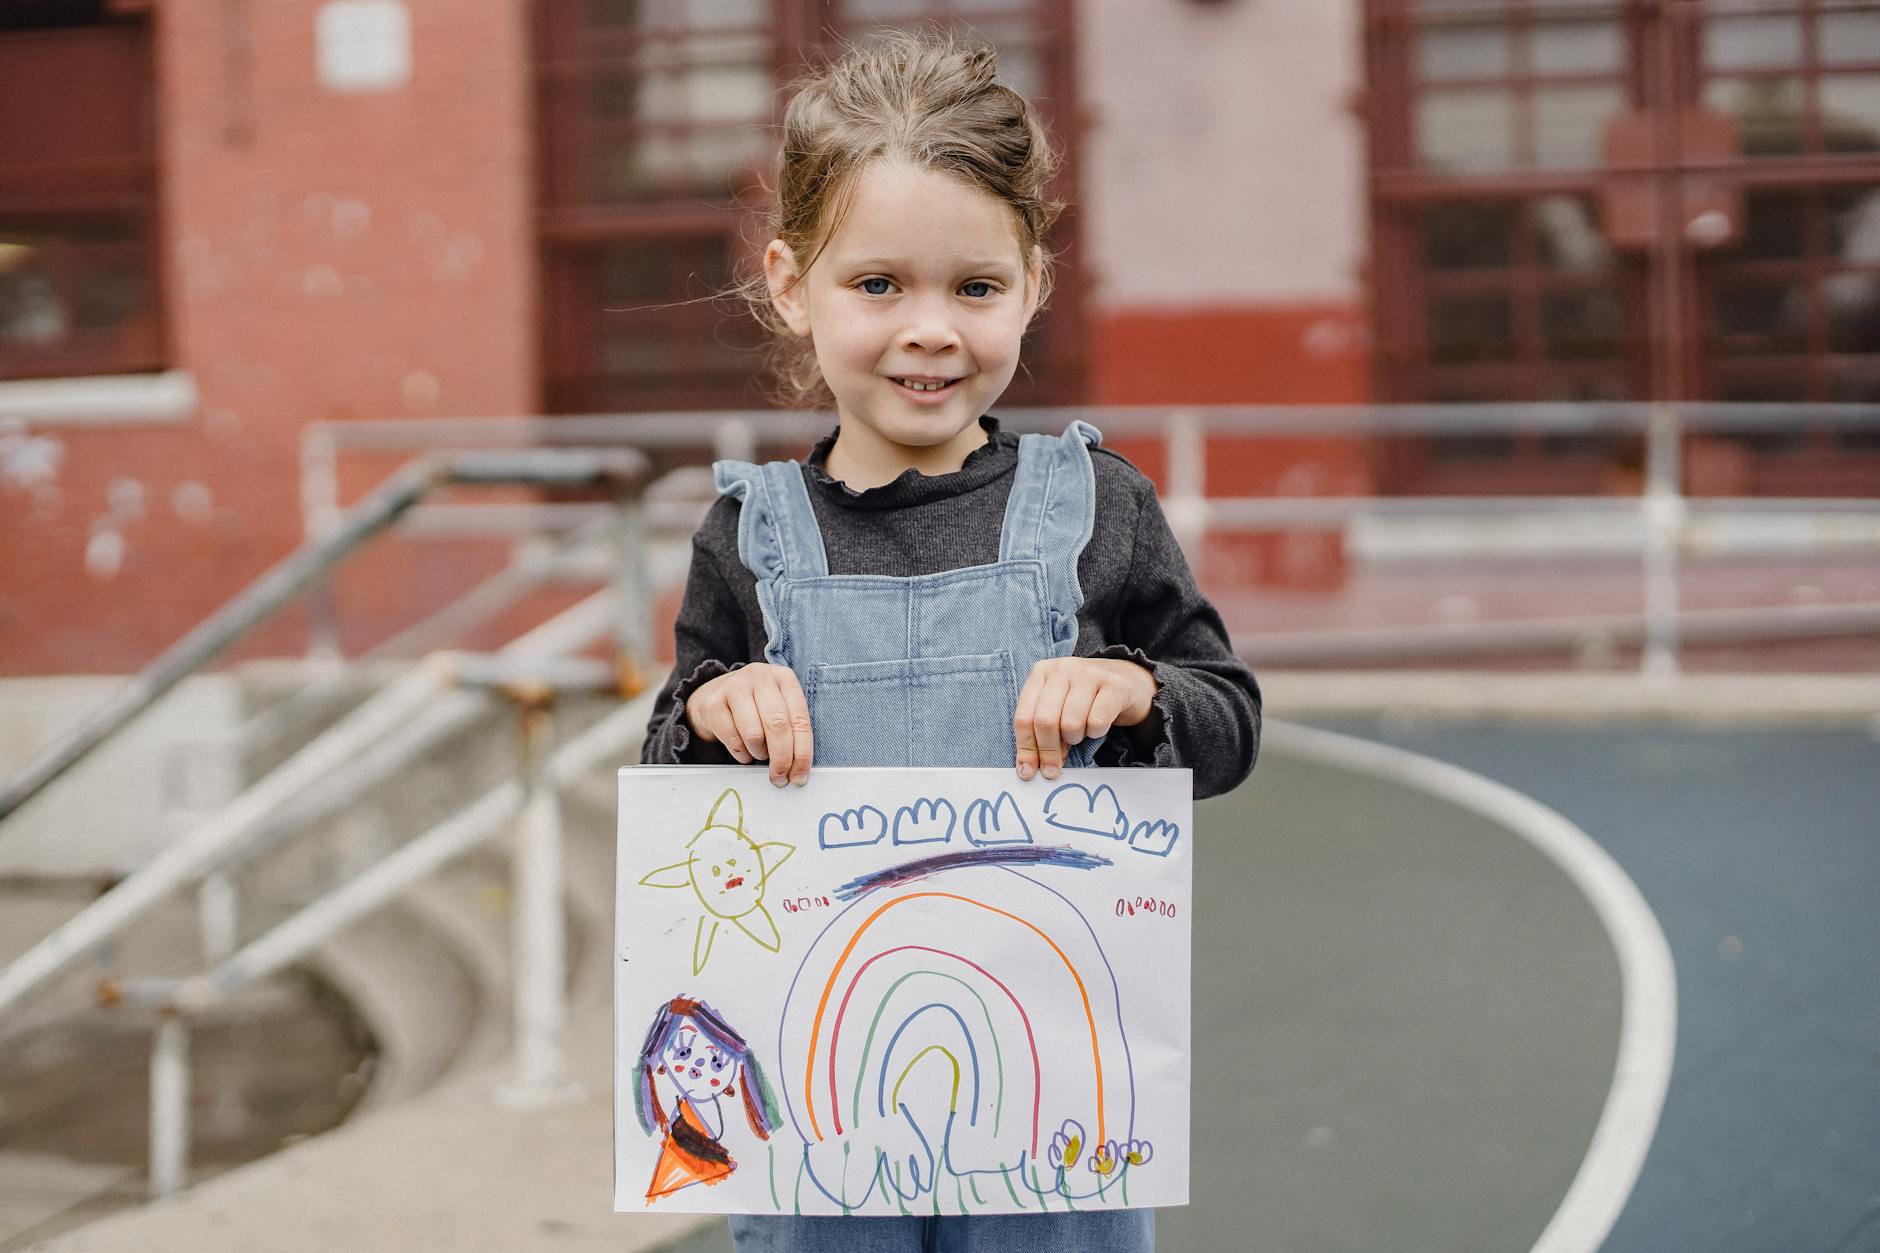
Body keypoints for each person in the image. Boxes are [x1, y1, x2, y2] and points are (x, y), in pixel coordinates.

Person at [640, 29, 1260, 1253]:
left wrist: (1135, 692)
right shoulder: (745, 535)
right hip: (818, 1106)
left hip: (1053, 1102)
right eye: (877, 286)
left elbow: (1227, 721)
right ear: (787, 281)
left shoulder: (1102, 507)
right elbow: (670, 766)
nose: (929, 330)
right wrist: (713, 715)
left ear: (1032, 283)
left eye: (973, 288)